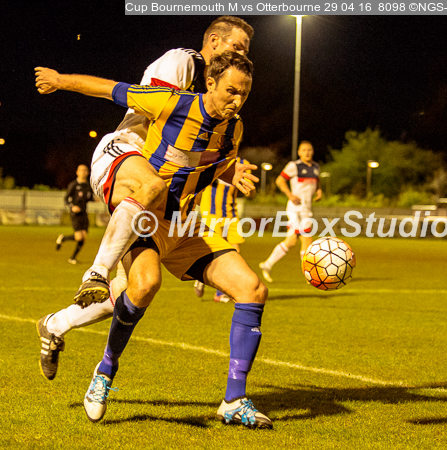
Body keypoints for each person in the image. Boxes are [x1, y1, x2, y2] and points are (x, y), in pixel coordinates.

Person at [35, 52, 272, 429]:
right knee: (145, 285)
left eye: (244, 93)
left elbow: (211, 164)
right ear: (210, 83)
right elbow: (110, 89)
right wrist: (59, 79)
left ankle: (234, 400)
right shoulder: (171, 102)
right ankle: (105, 372)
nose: (237, 100)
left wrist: (233, 174)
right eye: (231, 91)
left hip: (185, 225)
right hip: (146, 219)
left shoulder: (234, 128)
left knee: (253, 289)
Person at [74, 15, 253, 307]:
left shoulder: (215, 92)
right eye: (237, 46)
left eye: (246, 50)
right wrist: (59, 81)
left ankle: (56, 324)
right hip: (130, 151)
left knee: (136, 287)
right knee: (152, 189)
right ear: (213, 41)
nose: (242, 54)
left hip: (160, 178)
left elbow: (191, 148)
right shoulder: (183, 61)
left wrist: (227, 169)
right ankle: (96, 272)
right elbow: (155, 110)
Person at [259, 141, 322, 282]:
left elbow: (317, 181)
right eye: (304, 150)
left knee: (292, 241)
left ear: (313, 151)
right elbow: (279, 180)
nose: (307, 152)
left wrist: (319, 191)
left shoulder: (316, 167)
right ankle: (308, 274)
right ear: (299, 152)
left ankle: (267, 265)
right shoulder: (294, 166)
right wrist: (290, 195)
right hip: (296, 209)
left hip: (307, 209)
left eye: (309, 150)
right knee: (307, 239)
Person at [194, 155, 250, 303]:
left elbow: (248, 190)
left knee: (235, 252)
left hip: (231, 214)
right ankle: (214, 287)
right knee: (218, 252)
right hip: (211, 212)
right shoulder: (213, 158)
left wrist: (249, 188)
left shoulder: (243, 164)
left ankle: (217, 288)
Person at [55, 164, 94, 264]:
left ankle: (73, 258)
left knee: (83, 237)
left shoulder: (88, 186)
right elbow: (66, 199)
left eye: (85, 170)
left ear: (88, 172)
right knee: (79, 237)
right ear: (77, 172)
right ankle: (63, 238)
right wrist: (72, 206)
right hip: (75, 214)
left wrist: (94, 199)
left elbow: (88, 198)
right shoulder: (73, 185)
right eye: (81, 170)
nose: (83, 172)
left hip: (84, 213)